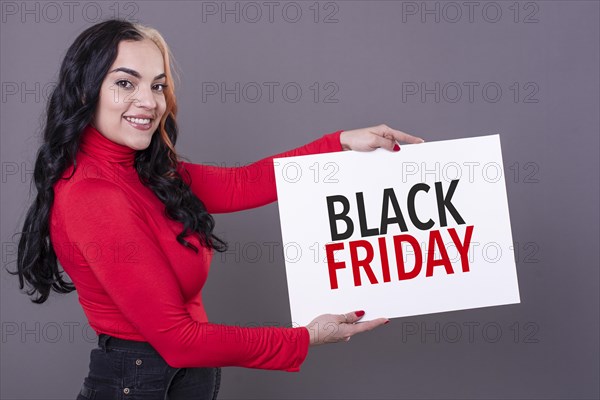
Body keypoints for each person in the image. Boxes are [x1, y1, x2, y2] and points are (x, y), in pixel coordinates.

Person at [10, 19, 424, 399]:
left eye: (157, 86)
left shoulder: (147, 172)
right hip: (140, 382)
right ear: (85, 90)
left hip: (172, 379)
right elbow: (179, 340)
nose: (149, 102)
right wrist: (306, 338)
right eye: (125, 83)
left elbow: (244, 183)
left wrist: (342, 144)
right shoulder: (92, 195)